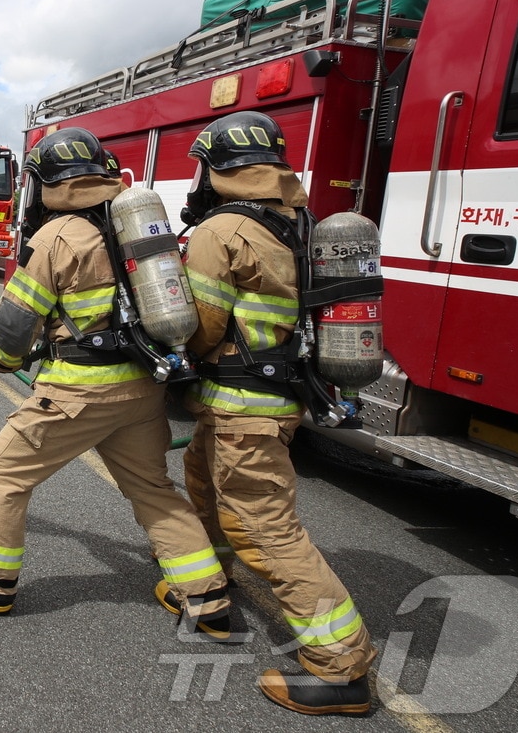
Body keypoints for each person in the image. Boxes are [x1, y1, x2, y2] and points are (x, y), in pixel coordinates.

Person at [0, 127, 233, 641]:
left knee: (2, 473)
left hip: (78, 392)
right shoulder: (136, 227)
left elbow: (15, 322)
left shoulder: (58, 236)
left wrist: (1, 359)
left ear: (47, 182)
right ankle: (208, 602)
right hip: (141, 391)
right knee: (154, 490)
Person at [175, 110, 376, 715]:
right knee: (202, 480)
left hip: (244, 405)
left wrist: (170, 351)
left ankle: (342, 668)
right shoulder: (298, 218)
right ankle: (215, 583)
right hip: (273, 396)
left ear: (215, 168)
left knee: (266, 526)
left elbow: (201, 327)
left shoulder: (224, 230)